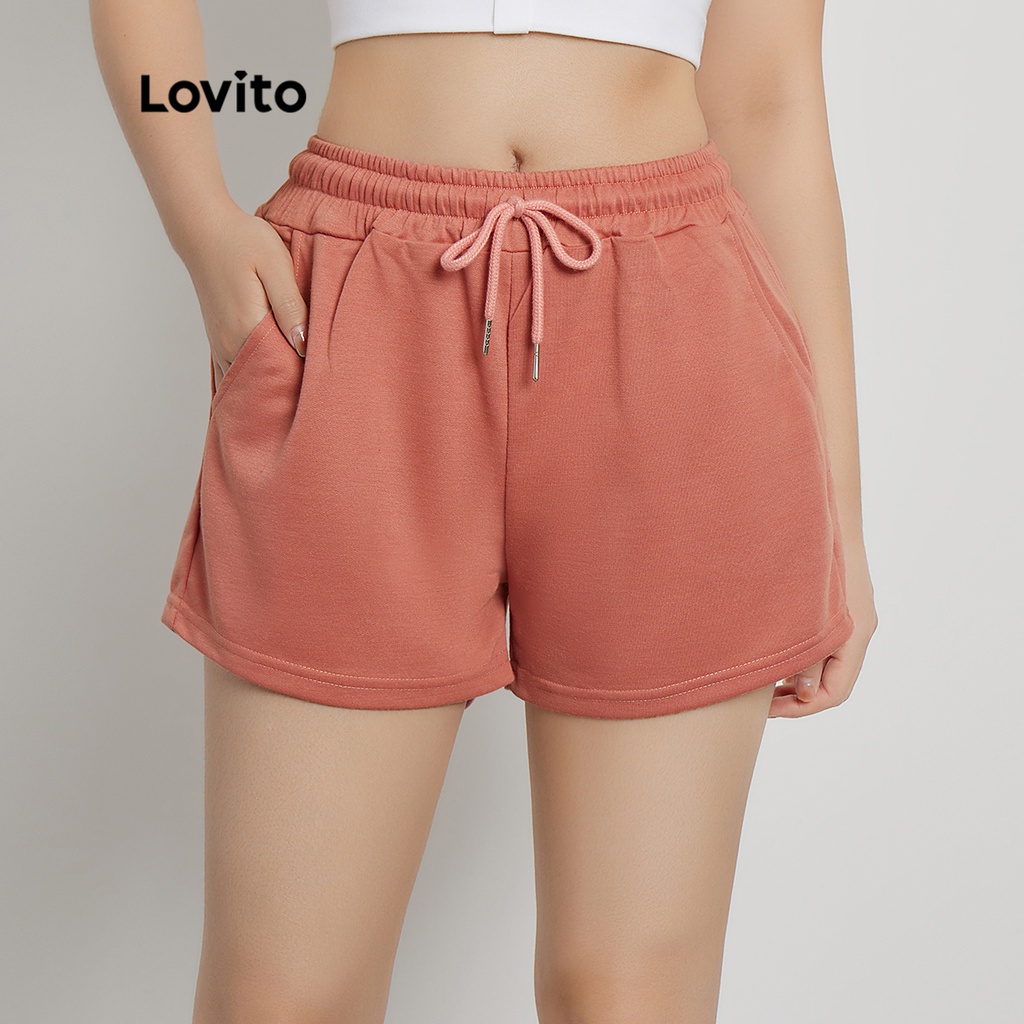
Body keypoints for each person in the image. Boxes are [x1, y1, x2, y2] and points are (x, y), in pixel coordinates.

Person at [91, 0, 878, 1020]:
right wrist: (200, 221)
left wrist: (841, 512)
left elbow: (768, 98)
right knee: (279, 996)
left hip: (677, 324)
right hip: (357, 306)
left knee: (629, 995)